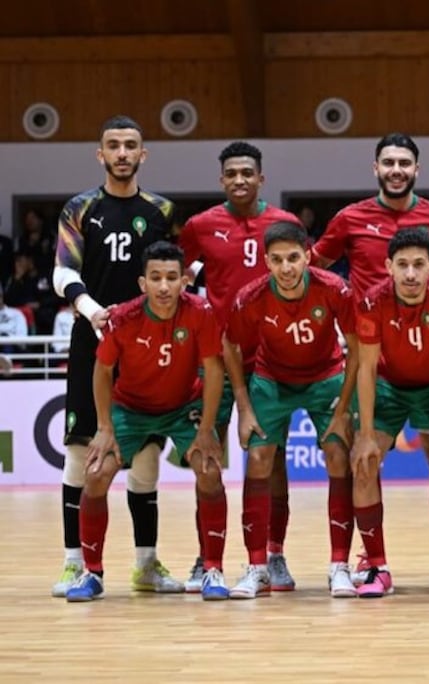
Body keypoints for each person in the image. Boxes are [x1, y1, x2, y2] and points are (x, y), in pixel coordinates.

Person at [310, 133, 429, 586]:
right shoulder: (349, 218)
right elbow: (314, 269)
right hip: (372, 357)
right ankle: (370, 559)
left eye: (404, 163)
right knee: (365, 454)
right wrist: (333, 322)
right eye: (389, 162)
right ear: (375, 168)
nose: (396, 169)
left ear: (417, 169)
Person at [51, 115, 182, 597]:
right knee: (81, 453)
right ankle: (74, 563)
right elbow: (63, 271)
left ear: (142, 155)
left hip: (147, 346)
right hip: (93, 342)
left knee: (146, 455)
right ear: (100, 154)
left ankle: (145, 565)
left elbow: (174, 270)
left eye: (131, 146)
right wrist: (90, 309)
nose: (122, 153)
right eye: (113, 145)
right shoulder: (79, 208)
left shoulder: (163, 209)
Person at [64, 242, 228, 601]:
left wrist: (206, 430)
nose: (165, 286)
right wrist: (105, 427)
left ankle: (212, 569)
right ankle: (92, 574)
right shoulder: (123, 318)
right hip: (131, 409)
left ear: (184, 281)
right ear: (143, 283)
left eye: (172, 277)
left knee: (210, 470)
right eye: (156, 278)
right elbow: (102, 371)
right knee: (94, 474)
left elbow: (215, 370)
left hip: (184, 406)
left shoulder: (201, 312)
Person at [178, 141, 302, 593]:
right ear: (221, 180)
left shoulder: (285, 224)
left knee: (272, 462)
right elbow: (178, 274)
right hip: (214, 358)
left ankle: (274, 555)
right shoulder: (200, 226)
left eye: (247, 173)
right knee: (206, 458)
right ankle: (205, 557)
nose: (239, 180)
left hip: (270, 361)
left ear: (261, 178)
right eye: (231, 174)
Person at [223, 222, 360, 599]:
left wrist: (344, 409)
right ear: (266, 261)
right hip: (271, 381)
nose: (286, 268)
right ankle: (259, 566)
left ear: (309, 256)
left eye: (294, 258)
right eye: (278, 260)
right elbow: (229, 346)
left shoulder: (334, 289)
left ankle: (340, 567)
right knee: (261, 457)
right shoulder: (249, 297)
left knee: (337, 454)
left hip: (325, 378)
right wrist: (244, 405)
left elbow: (358, 348)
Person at [350, 228, 429, 598]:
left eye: (419, 265)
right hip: (389, 387)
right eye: (402, 265)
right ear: (388, 266)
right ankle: (377, 567)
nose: (410, 274)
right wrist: (367, 433)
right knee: (364, 462)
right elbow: (367, 369)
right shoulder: (373, 302)